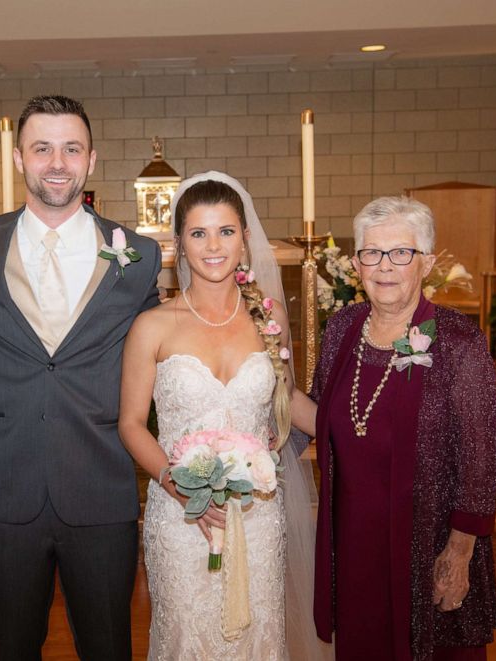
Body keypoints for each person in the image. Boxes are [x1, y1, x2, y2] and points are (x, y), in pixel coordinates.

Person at [0, 95, 162, 661]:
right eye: (42, 148)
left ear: (93, 160)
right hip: (3, 488)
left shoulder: (137, 254)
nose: (57, 162)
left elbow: (166, 357)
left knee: (108, 647)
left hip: (101, 487)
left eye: (72, 148)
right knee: (10, 649)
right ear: (18, 158)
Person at [118, 171, 331, 660]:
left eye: (226, 231)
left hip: (258, 513)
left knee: (257, 636)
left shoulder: (267, 316)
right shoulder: (152, 325)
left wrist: (349, 435)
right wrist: (177, 485)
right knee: (187, 637)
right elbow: (130, 423)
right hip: (181, 518)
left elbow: (287, 396)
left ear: (245, 239)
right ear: (178, 245)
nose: (213, 245)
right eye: (198, 233)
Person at [311, 196, 496, 660]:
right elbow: (320, 414)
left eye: (402, 253)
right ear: (356, 264)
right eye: (371, 253)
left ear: (427, 263)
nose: (385, 266)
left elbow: (481, 459)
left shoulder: (459, 341)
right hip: (354, 539)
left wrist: (459, 554)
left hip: (428, 539)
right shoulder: (341, 327)